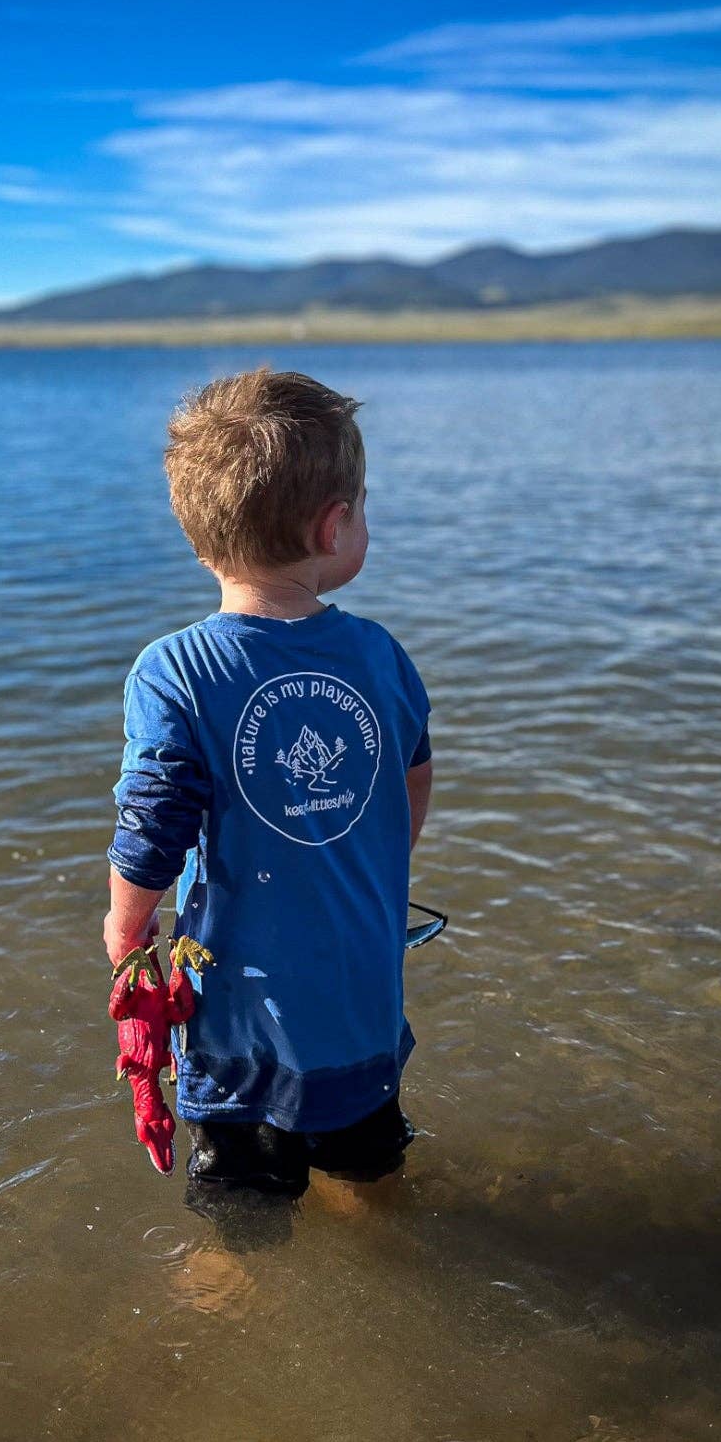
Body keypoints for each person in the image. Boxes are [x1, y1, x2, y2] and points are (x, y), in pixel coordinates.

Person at [103, 368, 433, 1198]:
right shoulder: (382, 656)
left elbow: (153, 826)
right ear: (333, 526)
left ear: (196, 532)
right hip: (360, 1011)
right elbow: (412, 778)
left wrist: (126, 926)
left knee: (242, 1222)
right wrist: (373, 863)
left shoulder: (175, 671)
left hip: (241, 1034)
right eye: (364, 509)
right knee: (374, 1176)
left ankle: (231, 1278)